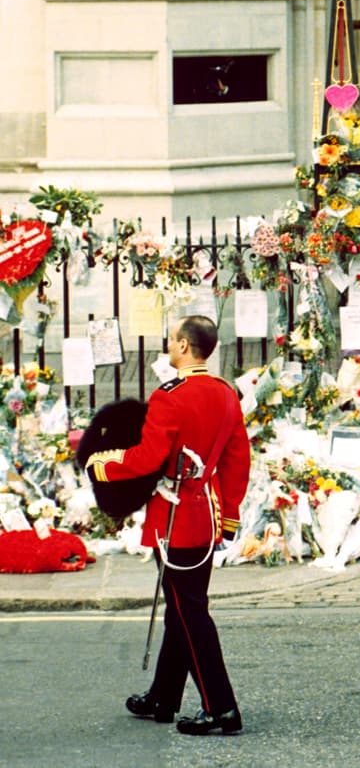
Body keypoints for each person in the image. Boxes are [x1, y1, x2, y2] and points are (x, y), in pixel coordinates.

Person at [86, 315, 249, 735]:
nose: (168, 345)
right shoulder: (227, 393)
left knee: (190, 613)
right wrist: (229, 512)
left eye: (171, 340)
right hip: (207, 516)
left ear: (183, 346)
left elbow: (146, 458)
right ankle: (163, 696)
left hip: (175, 519)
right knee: (182, 608)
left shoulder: (170, 396)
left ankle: (221, 707)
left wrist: (103, 464)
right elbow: (236, 461)